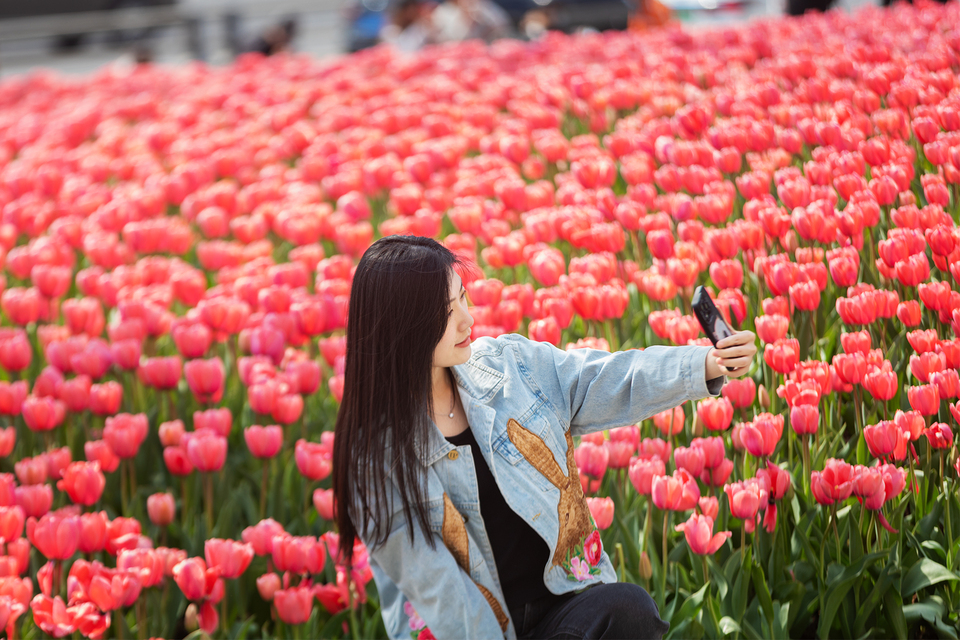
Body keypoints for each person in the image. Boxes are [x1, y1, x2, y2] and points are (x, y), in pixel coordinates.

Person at [332, 235, 758, 640]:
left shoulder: (508, 368)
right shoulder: (376, 458)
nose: (468, 318)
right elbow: (442, 594)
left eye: (463, 297)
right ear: (403, 327)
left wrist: (703, 364)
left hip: (558, 616)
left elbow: (603, 378)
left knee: (627, 609)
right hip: (473, 632)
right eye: (447, 311)